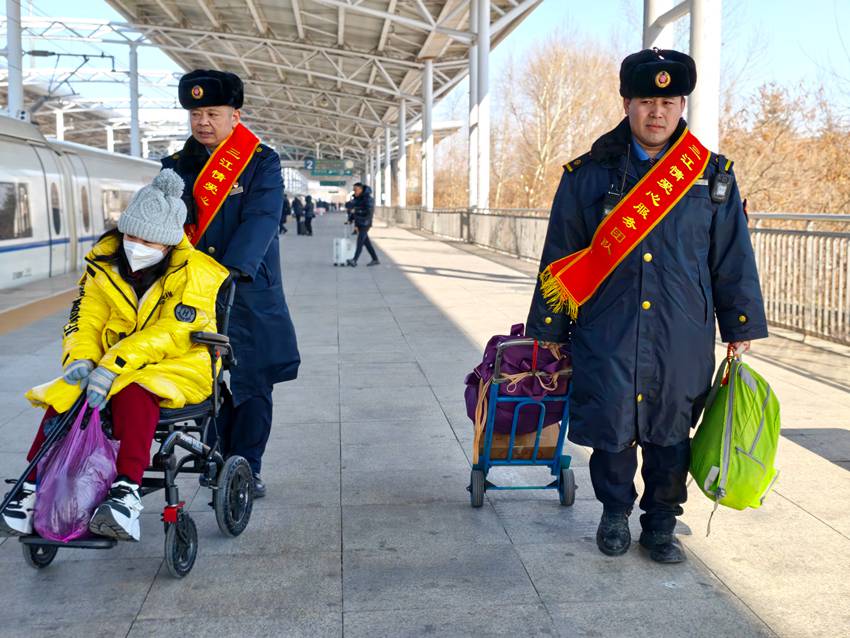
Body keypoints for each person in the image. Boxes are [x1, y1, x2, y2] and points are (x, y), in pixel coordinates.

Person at [525, 48, 768, 564]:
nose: (657, 113)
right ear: (626, 104)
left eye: (668, 102)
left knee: (671, 429)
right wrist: (549, 330)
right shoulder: (587, 175)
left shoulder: (712, 175)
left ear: (682, 106)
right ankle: (615, 513)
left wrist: (740, 323)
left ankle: (660, 522)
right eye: (646, 102)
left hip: (682, 330)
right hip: (607, 326)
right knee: (612, 427)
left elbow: (732, 257)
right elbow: (560, 254)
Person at [0, 170, 229, 542]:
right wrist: (81, 360)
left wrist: (112, 366)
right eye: (131, 236)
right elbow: (85, 319)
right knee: (67, 391)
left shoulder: (196, 273)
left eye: (148, 240)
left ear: (169, 243)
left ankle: (126, 491)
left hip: (181, 363)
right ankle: (31, 487)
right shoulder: (103, 265)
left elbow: (172, 332)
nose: (136, 245)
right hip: (115, 364)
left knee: (133, 389)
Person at [161, 69, 300, 498]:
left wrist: (231, 270)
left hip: (247, 289)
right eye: (195, 114)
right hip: (192, 292)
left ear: (234, 116)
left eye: (212, 113)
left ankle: (248, 467)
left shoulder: (261, 161)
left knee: (253, 381)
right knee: (203, 381)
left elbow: (262, 219)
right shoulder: (175, 166)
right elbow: (163, 223)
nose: (203, 122)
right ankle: (218, 459)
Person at [346, 182, 380, 267]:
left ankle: (354, 260)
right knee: (366, 243)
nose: (355, 192)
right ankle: (375, 259)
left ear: (361, 189)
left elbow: (368, 211)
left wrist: (356, 210)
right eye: (354, 190)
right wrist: (350, 219)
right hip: (359, 222)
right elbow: (353, 210)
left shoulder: (368, 199)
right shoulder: (358, 198)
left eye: (356, 190)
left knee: (360, 242)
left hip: (365, 223)